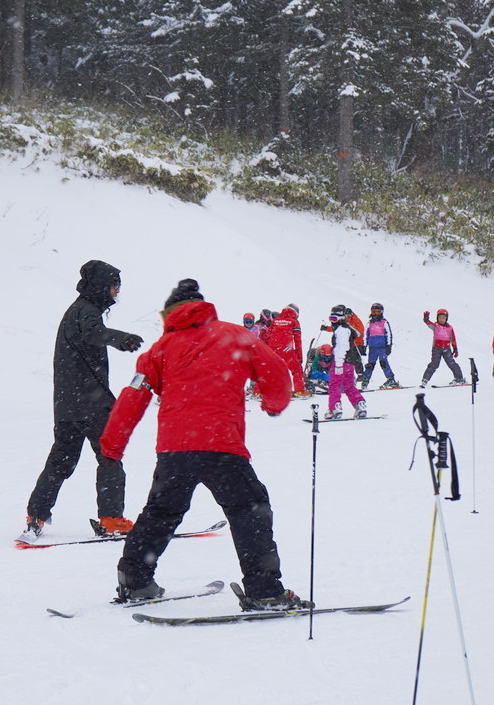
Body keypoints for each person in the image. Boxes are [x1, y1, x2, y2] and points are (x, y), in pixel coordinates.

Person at [101, 279, 312, 609]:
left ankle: (135, 580)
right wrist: (273, 404)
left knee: (161, 512)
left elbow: (133, 397)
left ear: (170, 313)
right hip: (220, 444)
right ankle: (264, 590)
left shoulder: (158, 350)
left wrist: (112, 446)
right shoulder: (234, 335)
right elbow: (275, 371)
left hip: (174, 450)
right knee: (248, 509)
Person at [19, 260, 144, 544]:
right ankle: (112, 519)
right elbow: (94, 333)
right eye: (115, 286)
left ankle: (36, 515)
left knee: (60, 462)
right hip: (90, 402)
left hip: (67, 405)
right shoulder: (86, 313)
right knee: (110, 457)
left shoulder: (75, 311)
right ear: (101, 286)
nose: (117, 293)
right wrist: (121, 339)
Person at [324, 306, 369, 419]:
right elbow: (357, 334)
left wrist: (338, 364)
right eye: (331, 318)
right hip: (349, 363)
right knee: (349, 386)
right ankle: (360, 404)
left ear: (341, 318)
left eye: (334, 319)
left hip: (341, 362)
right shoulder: (347, 329)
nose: (332, 321)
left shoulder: (341, 330)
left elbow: (342, 347)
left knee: (334, 385)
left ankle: (335, 408)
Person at [264, 302, 309, 396]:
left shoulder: (275, 320)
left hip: (272, 349)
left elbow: (267, 336)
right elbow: (298, 341)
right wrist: (299, 358)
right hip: (286, 349)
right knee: (296, 370)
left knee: (269, 369)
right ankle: (299, 391)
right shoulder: (294, 322)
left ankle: (260, 391)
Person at [420, 308, 466, 386]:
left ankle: (459, 378)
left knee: (452, 363)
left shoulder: (449, 328)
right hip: (436, 349)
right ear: (437, 318)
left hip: (446, 349)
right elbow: (428, 323)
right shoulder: (435, 326)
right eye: (440, 318)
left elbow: (453, 339)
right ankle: (425, 379)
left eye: (443, 318)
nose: (441, 320)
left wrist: (455, 348)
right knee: (434, 364)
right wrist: (426, 319)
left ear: (446, 319)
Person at [362, 302, 399, 388]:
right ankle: (365, 380)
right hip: (372, 348)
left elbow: (389, 334)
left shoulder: (384, 322)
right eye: (373, 312)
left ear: (381, 312)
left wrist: (389, 346)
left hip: (382, 347)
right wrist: (364, 346)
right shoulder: (369, 324)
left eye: (377, 312)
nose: (375, 314)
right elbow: (365, 336)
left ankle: (390, 379)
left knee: (383, 363)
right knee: (370, 364)